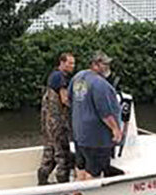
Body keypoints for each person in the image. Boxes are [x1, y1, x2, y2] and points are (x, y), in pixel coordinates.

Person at [69, 52, 124, 180]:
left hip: (79, 135)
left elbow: (69, 99)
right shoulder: (101, 84)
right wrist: (116, 130)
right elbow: (106, 113)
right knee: (93, 173)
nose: (108, 67)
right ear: (95, 64)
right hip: (96, 139)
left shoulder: (77, 77)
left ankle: (80, 193)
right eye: (105, 64)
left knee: (81, 167)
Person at [36, 51, 75, 185]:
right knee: (63, 154)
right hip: (58, 123)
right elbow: (65, 100)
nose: (72, 66)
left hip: (48, 124)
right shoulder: (60, 77)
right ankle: (63, 185)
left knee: (49, 153)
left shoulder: (52, 76)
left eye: (73, 63)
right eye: (70, 63)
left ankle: (42, 182)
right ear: (62, 63)